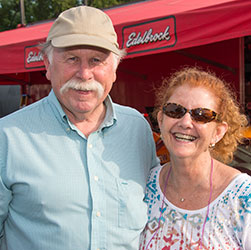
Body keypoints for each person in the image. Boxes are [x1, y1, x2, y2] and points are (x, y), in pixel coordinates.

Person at [0, 6, 159, 250]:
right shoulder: (8, 137)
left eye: (97, 60)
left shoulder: (138, 129)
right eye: (72, 58)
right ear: (47, 64)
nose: (84, 74)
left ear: (115, 69)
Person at [139, 67, 251, 250]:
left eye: (201, 115)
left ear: (218, 132)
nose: (185, 122)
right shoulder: (144, 186)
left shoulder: (243, 198)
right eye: (175, 110)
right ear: (160, 120)